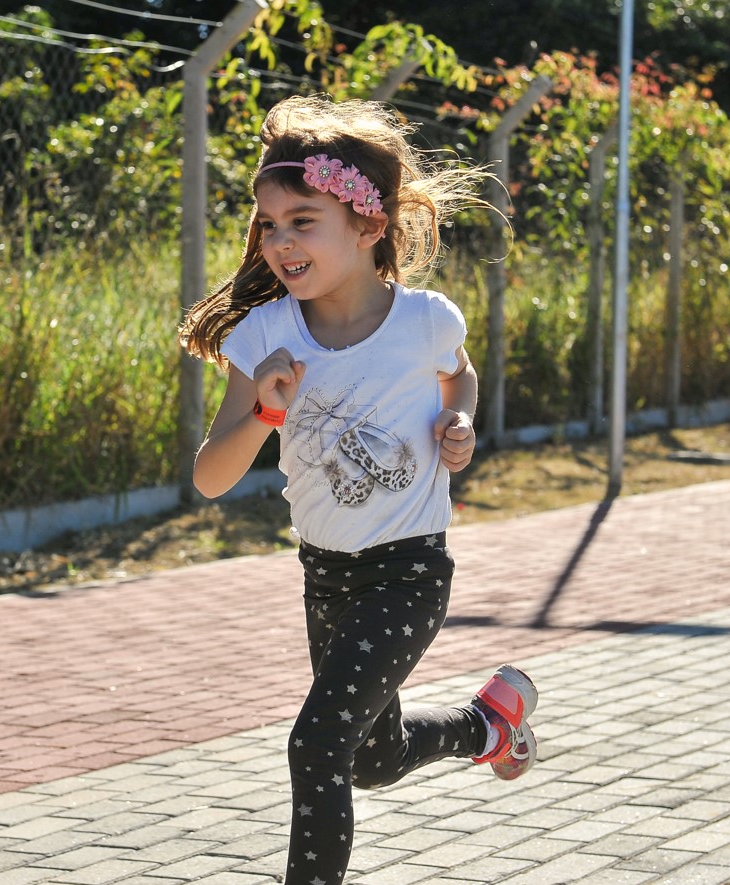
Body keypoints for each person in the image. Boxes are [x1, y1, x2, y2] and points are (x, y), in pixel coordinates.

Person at [178, 94, 538, 885]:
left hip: (409, 572)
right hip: (326, 574)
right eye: (268, 224)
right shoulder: (265, 333)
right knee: (370, 759)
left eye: (301, 221)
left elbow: (460, 374)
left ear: (368, 226)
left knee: (315, 745)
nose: (278, 241)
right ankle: (486, 724)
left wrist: (460, 420)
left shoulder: (422, 321)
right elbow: (209, 478)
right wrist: (264, 410)